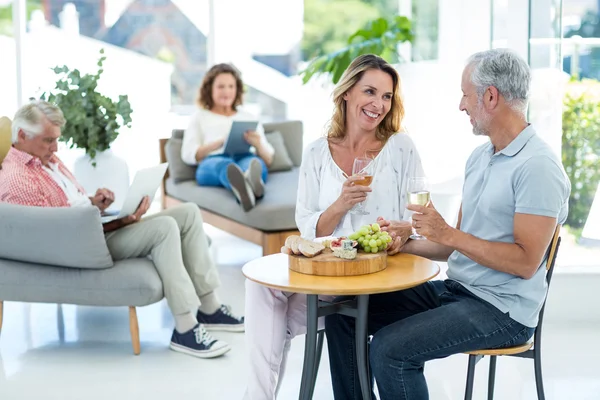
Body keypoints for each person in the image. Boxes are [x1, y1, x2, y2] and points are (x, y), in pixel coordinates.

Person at [325, 48, 572, 400]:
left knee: (390, 350)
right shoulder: (481, 157)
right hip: (458, 293)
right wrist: (405, 239)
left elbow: (524, 262)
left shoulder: (538, 167)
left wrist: (449, 233)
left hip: (502, 311)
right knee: (345, 314)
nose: (461, 105)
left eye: (465, 95)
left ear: (490, 96)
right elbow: (452, 245)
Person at [0, 100, 245, 359]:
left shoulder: (44, 157)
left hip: (91, 228)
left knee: (188, 213)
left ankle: (209, 307)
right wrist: (120, 222)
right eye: (49, 140)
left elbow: (66, 206)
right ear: (22, 135)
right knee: (164, 228)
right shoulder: (17, 179)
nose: (56, 147)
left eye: (56, 139)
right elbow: (57, 235)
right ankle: (185, 329)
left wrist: (94, 202)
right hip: (82, 247)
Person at [243, 54, 425, 400]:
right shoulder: (316, 153)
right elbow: (308, 228)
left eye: (386, 96)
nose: (378, 105)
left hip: (377, 276)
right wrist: (341, 203)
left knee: (272, 326)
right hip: (328, 276)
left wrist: (401, 231)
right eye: (370, 92)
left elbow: (418, 217)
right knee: (261, 291)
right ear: (347, 93)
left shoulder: (401, 148)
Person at [181, 63, 275, 212]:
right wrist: (218, 143)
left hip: (244, 155)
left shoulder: (248, 116)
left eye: (231, 86)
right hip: (212, 161)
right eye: (221, 87)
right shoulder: (200, 117)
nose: (227, 91)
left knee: (254, 163)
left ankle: (248, 187)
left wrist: (258, 144)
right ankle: (247, 186)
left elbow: (268, 159)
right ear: (209, 89)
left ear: (237, 90)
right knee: (225, 166)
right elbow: (188, 154)